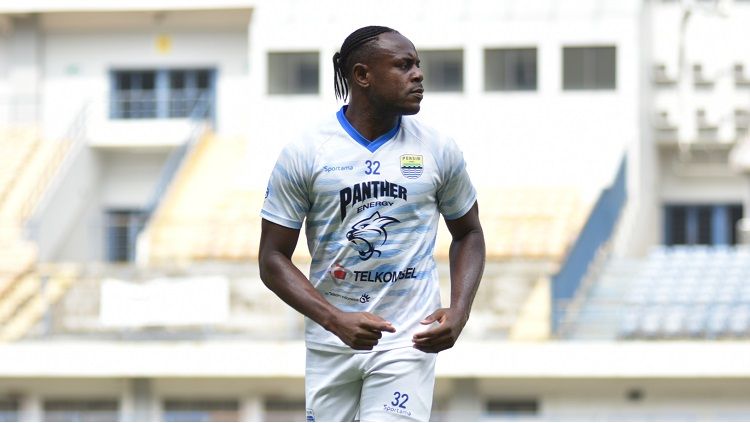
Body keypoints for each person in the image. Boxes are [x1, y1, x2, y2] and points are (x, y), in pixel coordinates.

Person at [258, 25, 485, 422]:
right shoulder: (307, 153)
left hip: (408, 340)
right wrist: (334, 319)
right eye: (403, 65)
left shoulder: (437, 149)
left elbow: (468, 232)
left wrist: (460, 310)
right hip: (332, 341)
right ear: (362, 76)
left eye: (417, 65)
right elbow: (272, 258)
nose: (418, 75)